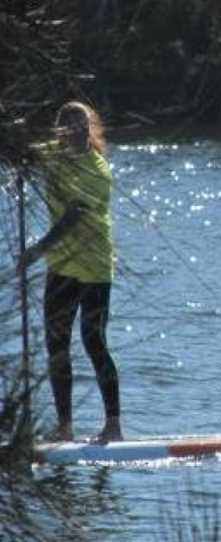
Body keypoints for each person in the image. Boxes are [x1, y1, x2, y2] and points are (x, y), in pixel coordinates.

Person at [17, 101, 123, 442]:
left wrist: (36, 249)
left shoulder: (98, 168)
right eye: (66, 124)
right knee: (56, 344)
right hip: (61, 266)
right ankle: (65, 428)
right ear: (59, 130)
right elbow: (23, 154)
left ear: (90, 128)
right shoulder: (53, 156)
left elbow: (74, 215)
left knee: (93, 340)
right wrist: (16, 154)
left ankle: (113, 425)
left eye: (80, 123)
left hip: (93, 266)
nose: (74, 130)